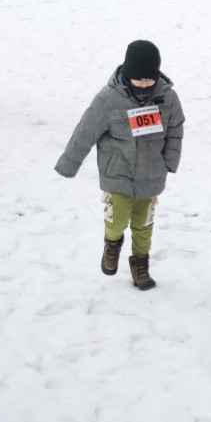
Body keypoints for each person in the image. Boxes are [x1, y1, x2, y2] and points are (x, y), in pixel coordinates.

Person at [54, 40, 185, 291]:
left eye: (150, 79)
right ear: (127, 74)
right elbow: (86, 131)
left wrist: (169, 160)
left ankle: (140, 265)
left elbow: (176, 129)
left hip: (151, 173)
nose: (146, 84)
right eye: (140, 79)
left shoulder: (167, 98)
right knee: (117, 220)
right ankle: (112, 245)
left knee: (144, 223)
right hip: (118, 173)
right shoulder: (109, 98)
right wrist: (68, 164)